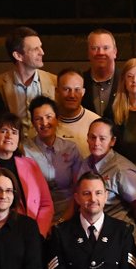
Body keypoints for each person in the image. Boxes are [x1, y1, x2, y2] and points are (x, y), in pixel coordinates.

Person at [0, 113, 55, 236]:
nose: (9, 136)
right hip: (1, 240)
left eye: (14, 132)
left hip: (35, 236)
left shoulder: (31, 165)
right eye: (3, 131)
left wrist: (37, 234)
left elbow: (46, 204)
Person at [83, 119, 136, 238]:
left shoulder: (122, 170)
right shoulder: (84, 164)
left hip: (119, 234)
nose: (96, 143)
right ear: (87, 138)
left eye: (102, 138)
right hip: (91, 231)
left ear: (112, 141)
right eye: (92, 137)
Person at [0, 27, 57, 135]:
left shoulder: (54, 81)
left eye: (40, 47)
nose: (42, 52)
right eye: (35, 49)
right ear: (18, 55)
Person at [25, 96, 84, 225]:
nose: (44, 123)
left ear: (57, 119)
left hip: (70, 212)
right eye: (38, 119)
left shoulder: (71, 148)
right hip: (36, 213)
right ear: (33, 123)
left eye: (49, 117)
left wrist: (63, 220)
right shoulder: (25, 151)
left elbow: (78, 188)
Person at [52, 69, 100, 158]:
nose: (72, 95)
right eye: (66, 89)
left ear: (83, 92)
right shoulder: (45, 123)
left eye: (77, 90)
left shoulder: (96, 123)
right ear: (57, 91)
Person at [83, 29, 120, 114]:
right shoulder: (80, 82)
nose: (100, 52)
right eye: (94, 48)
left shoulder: (126, 81)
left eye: (106, 48)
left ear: (115, 52)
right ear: (88, 53)